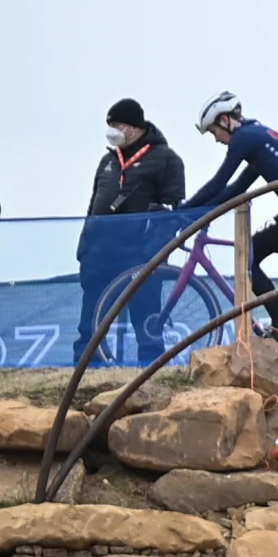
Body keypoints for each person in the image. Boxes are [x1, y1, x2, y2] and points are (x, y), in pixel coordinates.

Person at [183, 94, 278, 363]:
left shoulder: (244, 138)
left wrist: (182, 211)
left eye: (214, 132)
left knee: (249, 255)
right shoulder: (259, 137)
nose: (217, 139)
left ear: (225, 120)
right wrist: (198, 212)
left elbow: (218, 183)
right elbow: (235, 191)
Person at [79, 99, 190, 365]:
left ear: (134, 127)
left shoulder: (167, 160)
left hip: (142, 258)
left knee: (147, 325)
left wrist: (152, 253)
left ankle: (149, 374)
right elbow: (93, 205)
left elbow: (173, 212)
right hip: (100, 256)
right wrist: (84, 248)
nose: (112, 130)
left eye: (117, 124)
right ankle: (83, 373)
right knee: (89, 327)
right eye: (110, 125)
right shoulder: (107, 160)